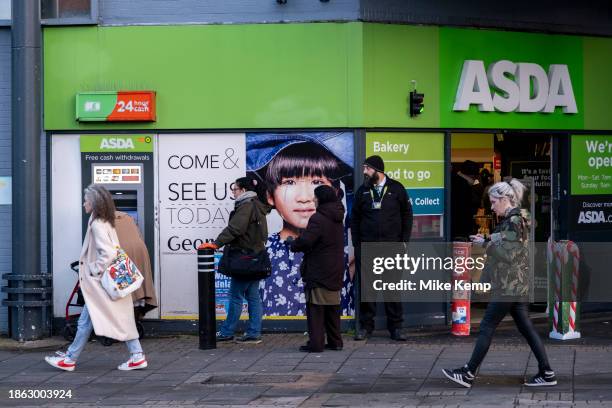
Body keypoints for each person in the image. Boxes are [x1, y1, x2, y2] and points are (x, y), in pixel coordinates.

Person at [443, 179, 556, 388]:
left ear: (505, 199)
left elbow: (510, 255)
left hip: (508, 285)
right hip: (516, 284)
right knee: (527, 328)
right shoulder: (516, 218)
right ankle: (547, 372)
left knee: (486, 326)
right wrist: (486, 238)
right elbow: (508, 242)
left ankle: (468, 373)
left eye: (494, 202)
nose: (492, 207)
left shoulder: (514, 220)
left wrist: (485, 244)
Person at [45, 185, 147, 372]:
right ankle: (136, 356)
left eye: (86, 200)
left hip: (100, 283)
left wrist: (93, 269)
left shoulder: (98, 225)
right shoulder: (105, 221)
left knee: (97, 321)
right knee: (104, 320)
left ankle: (70, 359)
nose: (84, 203)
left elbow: (107, 253)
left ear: (94, 203)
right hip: (107, 283)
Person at [255, 141, 354, 318]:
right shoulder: (263, 248)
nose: (304, 197)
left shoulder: (347, 244)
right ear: (270, 196)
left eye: (317, 181)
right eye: (290, 182)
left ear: (336, 193)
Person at [351, 155, 413, 341]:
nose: (364, 172)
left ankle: (396, 327)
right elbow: (354, 219)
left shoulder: (397, 188)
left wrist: (404, 241)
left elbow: (407, 215)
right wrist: (357, 244)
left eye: (367, 169)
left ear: (378, 170)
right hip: (368, 247)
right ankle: (365, 327)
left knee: (392, 288)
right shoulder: (362, 191)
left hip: (392, 247)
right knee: (367, 289)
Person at [202, 177, 271, 344]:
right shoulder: (256, 205)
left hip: (245, 258)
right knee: (253, 297)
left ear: (244, 190)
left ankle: (227, 332)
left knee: (235, 296)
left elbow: (235, 228)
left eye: (235, 188)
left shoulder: (246, 206)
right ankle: (254, 333)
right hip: (255, 257)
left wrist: (216, 243)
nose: (233, 191)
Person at [289, 185, 345, 353]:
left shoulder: (318, 218)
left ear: (321, 199)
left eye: (315, 197)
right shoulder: (337, 216)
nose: (313, 199)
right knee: (332, 308)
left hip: (319, 269)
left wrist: (294, 243)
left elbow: (307, 241)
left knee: (316, 309)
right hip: (334, 268)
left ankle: (316, 343)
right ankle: (336, 342)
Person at [114, 211, 158, 318]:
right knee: (138, 290)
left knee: (126, 292)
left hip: (121, 254)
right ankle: (135, 319)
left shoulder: (103, 220)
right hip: (140, 252)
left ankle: (126, 324)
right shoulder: (128, 217)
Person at [450, 160, 482, 240]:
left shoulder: (453, 181)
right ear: (472, 176)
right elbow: (466, 207)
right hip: (460, 228)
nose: (476, 180)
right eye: (475, 177)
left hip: (455, 227)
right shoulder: (464, 186)